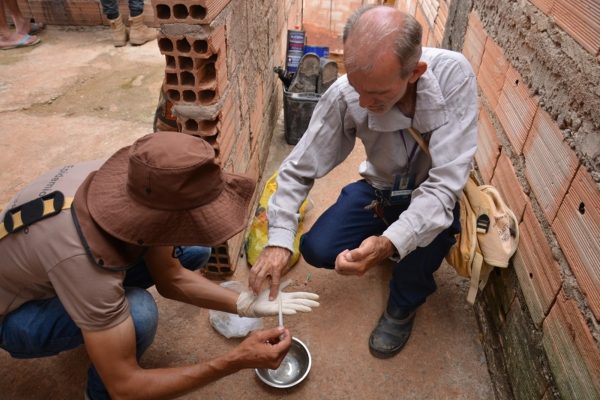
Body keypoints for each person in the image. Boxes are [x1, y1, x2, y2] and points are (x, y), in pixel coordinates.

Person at [0, 132, 319, 399]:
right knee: (138, 313)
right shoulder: (82, 263)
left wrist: (244, 304)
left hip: (50, 267)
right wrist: (233, 361)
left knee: (192, 248)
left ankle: (99, 329)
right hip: (16, 313)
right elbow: (125, 385)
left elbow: (170, 277)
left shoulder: (130, 183)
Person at [249, 5, 477, 359]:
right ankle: (393, 242)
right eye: (358, 89)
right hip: (379, 189)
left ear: (414, 72)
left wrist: (389, 243)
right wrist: (279, 240)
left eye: (379, 96)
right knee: (316, 248)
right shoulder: (347, 92)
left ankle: (403, 305)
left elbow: (444, 187)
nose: (365, 104)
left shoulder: (454, 77)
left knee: (432, 231)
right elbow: (298, 168)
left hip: (428, 195)